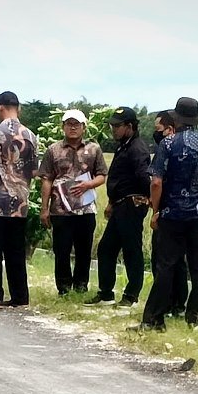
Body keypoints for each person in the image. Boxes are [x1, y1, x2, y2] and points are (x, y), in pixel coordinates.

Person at [134, 97, 198, 332]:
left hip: (172, 214)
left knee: (166, 266)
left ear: (176, 118)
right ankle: (194, 317)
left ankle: (154, 319)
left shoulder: (168, 144)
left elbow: (156, 182)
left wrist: (156, 211)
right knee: (197, 266)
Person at [0, 90, 38, 307]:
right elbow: (34, 171)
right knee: (16, 250)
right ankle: (20, 296)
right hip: (20, 202)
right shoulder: (31, 135)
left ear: (0, 107)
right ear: (18, 108)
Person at [38, 109, 107, 295]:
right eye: (69, 124)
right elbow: (46, 179)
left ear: (84, 127)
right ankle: (64, 288)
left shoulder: (94, 149)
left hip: (86, 208)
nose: (73, 127)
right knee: (61, 250)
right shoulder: (53, 150)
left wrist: (88, 184)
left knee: (84, 250)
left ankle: (81, 286)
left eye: (77, 124)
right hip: (60, 209)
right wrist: (44, 208)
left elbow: (102, 175)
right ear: (63, 127)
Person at [86, 106, 149, 306]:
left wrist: (146, 200)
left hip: (132, 203)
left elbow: (144, 177)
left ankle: (131, 295)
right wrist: (112, 202)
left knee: (131, 250)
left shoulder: (137, 148)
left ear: (129, 126)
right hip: (120, 204)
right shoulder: (124, 146)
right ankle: (106, 293)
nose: (113, 129)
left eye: (117, 126)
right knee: (106, 248)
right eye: (112, 126)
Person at [152, 110, 188, 318]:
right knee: (180, 261)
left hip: (167, 212)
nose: (156, 134)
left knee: (163, 261)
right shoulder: (192, 149)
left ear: (170, 129)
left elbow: (156, 182)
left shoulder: (166, 148)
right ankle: (179, 305)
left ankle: (162, 306)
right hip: (189, 213)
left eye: (159, 129)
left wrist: (155, 210)